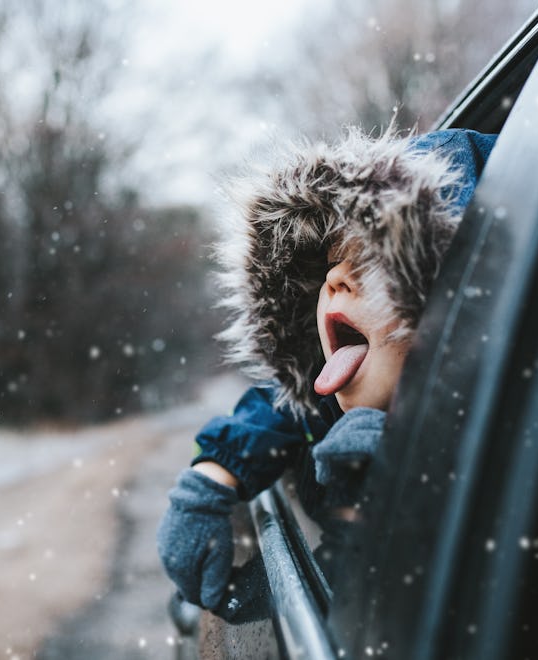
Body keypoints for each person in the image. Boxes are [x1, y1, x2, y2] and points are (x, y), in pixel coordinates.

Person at [157, 127, 497, 617]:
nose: (334, 278)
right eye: (334, 261)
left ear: (459, 305)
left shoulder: (511, 447)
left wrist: (374, 498)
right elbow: (287, 405)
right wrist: (212, 475)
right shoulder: (331, 399)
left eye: (377, 262)